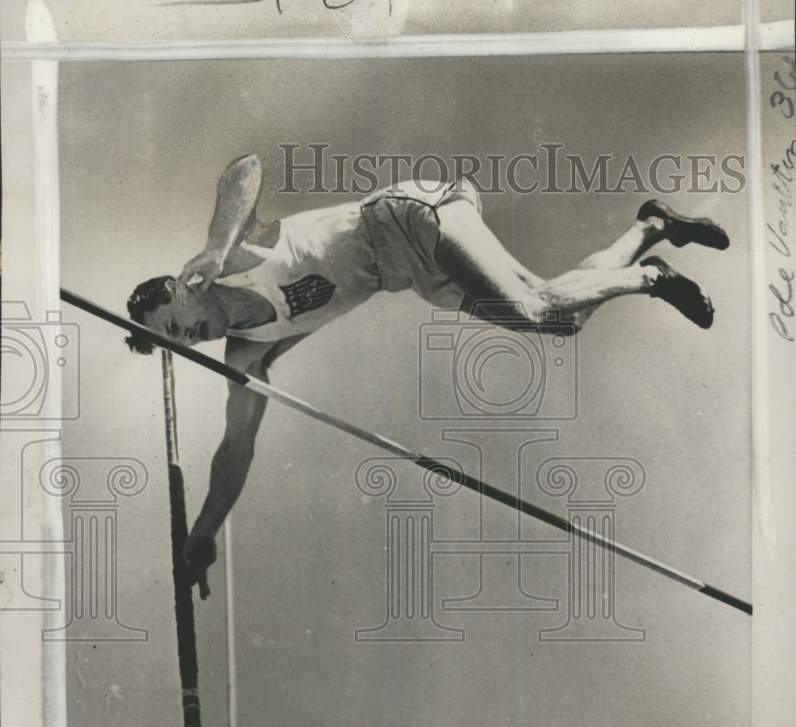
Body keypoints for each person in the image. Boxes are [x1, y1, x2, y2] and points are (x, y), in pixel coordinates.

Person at [125, 153, 730, 596]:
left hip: (406, 217)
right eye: (175, 346)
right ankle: (650, 229)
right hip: (411, 275)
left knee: (534, 306)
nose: (188, 340)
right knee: (559, 318)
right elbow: (237, 447)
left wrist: (213, 241)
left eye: (175, 326)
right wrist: (204, 532)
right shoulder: (246, 354)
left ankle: (653, 278)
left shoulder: (231, 258)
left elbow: (244, 167)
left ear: (184, 288)